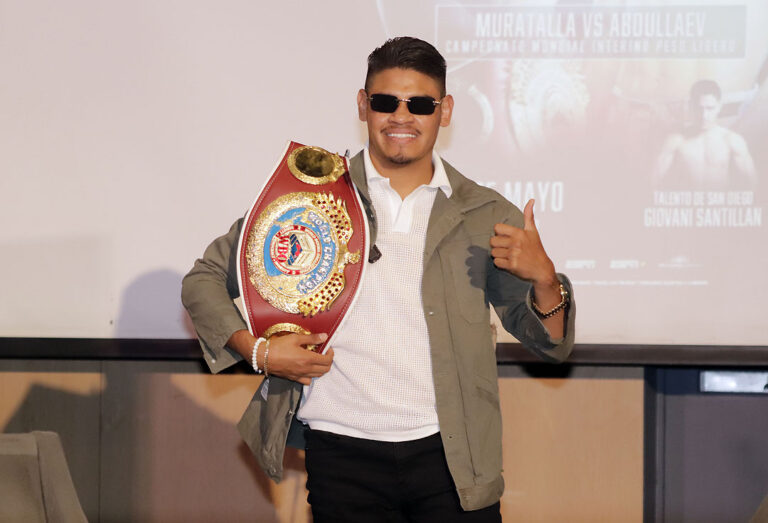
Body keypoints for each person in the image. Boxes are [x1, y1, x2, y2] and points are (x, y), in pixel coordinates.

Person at [182, 36, 575, 522]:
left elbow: (552, 346)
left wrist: (543, 281)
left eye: (421, 104)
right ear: (364, 106)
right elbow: (204, 278)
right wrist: (257, 350)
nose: (402, 116)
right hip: (341, 452)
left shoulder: (485, 212)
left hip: (454, 457)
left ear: (445, 110)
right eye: (386, 102)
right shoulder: (312, 195)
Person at [653, 79, 757, 189]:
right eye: (699, 108)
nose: (704, 115)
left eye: (710, 108)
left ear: (719, 107)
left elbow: (752, 182)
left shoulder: (732, 140)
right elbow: (654, 181)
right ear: (691, 106)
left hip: (719, 204)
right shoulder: (675, 140)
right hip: (687, 203)